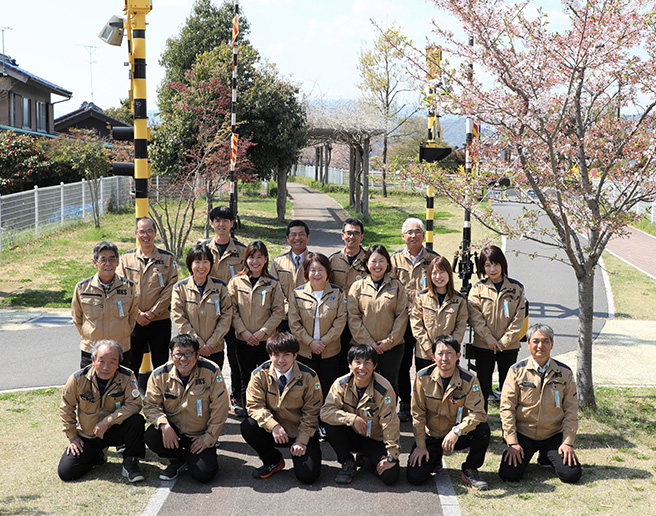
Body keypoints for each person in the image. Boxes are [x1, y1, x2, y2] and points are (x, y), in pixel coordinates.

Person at [499, 323, 582, 484]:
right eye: (535, 341)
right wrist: (512, 442)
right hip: (524, 434)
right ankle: (531, 453)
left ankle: (546, 456)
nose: (540, 346)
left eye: (545, 341)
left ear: (552, 344)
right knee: (509, 475)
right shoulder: (516, 370)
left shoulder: (564, 372)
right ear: (528, 344)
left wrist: (568, 443)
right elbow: (506, 408)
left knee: (571, 475)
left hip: (553, 434)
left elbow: (571, 409)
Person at [407, 335, 490, 490]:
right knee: (415, 477)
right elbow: (417, 413)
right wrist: (420, 445)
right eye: (440, 353)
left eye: (449, 353)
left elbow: (478, 413)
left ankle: (470, 469)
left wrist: (457, 430)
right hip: (432, 435)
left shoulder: (469, 380)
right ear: (433, 356)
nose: (445, 358)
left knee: (483, 429)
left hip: (457, 435)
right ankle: (435, 458)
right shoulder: (422, 377)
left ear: (458, 356)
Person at [143, 334, 229, 483]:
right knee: (151, 435)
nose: (183, 359)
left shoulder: (211, 371)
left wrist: (208, 438)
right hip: (173, 431)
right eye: (179, 354)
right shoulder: (159, 375)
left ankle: (196, 455)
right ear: (172, 355)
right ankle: (178, 459)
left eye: (189, 353)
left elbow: (220, 408)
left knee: (204, 475)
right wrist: (164, 425)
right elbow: (151, 405)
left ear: (197, 354)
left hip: (199, 434)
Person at [58, 340, 145, 482]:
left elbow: (134, 404)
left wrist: (107, 422)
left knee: (136, 420)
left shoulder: (127, 376)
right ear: (93, 360)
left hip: (115, 430)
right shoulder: (77, 379)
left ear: (119, 363)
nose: (106, 367)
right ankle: (97, 455)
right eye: (101, 361)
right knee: (67, 473)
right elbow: (66, 407)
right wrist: (72, 436)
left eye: (112, 362)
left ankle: (131, 462)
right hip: (90, 434)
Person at [240, 332, 322, 484]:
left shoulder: (309, 376)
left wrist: (302, 441)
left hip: (299, 430)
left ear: (295, 355)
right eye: (276, 355)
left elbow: (312, 412)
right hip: (273, 431)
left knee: (308, 476)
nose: (281, 360)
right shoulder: (259, 374)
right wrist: (273, 426)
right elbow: (254, 405)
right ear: (270, 355)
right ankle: (273, 460)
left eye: (286, 355)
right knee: (248, 426)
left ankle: (300, 453)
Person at [321, 344, 401, 485]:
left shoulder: (384, 389)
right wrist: (352, 419)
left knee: (390, 476)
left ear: (375, 365)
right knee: (331, 424)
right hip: (352, 434)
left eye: (367, 363)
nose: (362, 367)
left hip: (375, 438)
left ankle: (365, 461)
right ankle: (347, 462)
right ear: (350, 364)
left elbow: (390, 423)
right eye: (357, 362)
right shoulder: (341, 384)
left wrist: (392, 457)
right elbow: (325, 412)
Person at [468, 245, 527, 411]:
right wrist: (490, 340)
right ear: (482, 267)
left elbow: (519, 318)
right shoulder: (477, 289)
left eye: (495, 264)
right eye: (487, 265)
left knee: (508, 387)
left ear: (502, 264)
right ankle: (481, 423)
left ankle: (508, 426)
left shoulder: (516, 288)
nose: (492, 269)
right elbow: (476, 318)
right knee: (483, 386)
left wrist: (504, 341)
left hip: (508, 347)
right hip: (483, 346)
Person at [391, 218, 439, 422]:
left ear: (423, 235)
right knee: (401, 364)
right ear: (403, 236)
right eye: (409, 232)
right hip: (400, 321)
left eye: (417, 231)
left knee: (424, 362)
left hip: (425, 321)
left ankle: (424, 402)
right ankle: (404, 402)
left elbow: (441, 284)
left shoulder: (434, 259)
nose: (413, 235)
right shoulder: (393, 260)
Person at [228, 241, 285, 409]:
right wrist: (243, 332)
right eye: (252, 257)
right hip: (243, 339)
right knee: (245, 375)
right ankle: (247, 409)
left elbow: (278, 311)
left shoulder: (272, 283)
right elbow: (231, 310)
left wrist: (263, 332)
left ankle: (266, 410)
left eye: (260, 257)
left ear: (266, 259)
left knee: (267, 376)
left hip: (265, 341)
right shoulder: (236, 282)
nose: (255, 261)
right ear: (246, 259)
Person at [118, 217, 178, 371]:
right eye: (142, 231)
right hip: (133, 321)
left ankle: (159, 395)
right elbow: (121, 288)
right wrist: (137, 313)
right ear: (136, 234)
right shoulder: (125, 259)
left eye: (149, 231)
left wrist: (152, 313)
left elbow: (171, 288)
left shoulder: (168, 259)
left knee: (161, 366)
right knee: (131, 366)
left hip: (159, 321)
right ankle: (133, 395)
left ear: (155, 232)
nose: (146, 235)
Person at [348, 244, 408, 395]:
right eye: (373, 261)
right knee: (362, 382)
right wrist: (369, 343)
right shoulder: (357, 287)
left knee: (389, 384)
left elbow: (401, 317)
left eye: (381, 261)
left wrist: (388, 343)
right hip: (363, 347)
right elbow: (353, 317)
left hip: (391, 348)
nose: (377, 265)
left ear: (387, 263)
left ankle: (389, 417)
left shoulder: (397, 286)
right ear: (367, 263)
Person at [204, 206, 247, 416]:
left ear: (232, 223)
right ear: (211, 223)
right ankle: (210, 397)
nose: (221, 224)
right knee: (211, 357)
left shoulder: (242, 250)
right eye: (217, 220)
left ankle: (237, 396)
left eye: (226, 220)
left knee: (237, 357)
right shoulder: (203, 250)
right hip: (209, 314)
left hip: (237, 313)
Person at [288, 252, 347, 398]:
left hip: (330, 351)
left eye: (321, 269)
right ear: (306, 273)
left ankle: (327, 419)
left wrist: (322, 342)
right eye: (313, 270)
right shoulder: (297, 294)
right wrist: (311, 342)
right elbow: (294, 323)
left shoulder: (338, 293)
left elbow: (340, 321)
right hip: (305, 351)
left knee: (328, 389)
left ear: (327, 271)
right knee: (306, 390)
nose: (317, 274)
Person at [72, 241, 138, 369]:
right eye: (103, 259)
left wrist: (123, 333)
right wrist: (88, 334)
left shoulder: (128, 287)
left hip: (120, 349)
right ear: (95, 263)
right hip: (91, 349)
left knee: (120, 386)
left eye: (112, 259)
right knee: (90, 386)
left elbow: (133, 315)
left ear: (117, 262)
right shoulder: (82, 288)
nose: (108, 264)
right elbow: (77, 317)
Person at [171, 244, 232, 369]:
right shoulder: (180, 288)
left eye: (205, 262)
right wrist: (197, 344)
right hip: (188, 350)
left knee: (213, 384)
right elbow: (179, 317)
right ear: (190, 264)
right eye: (197, 262)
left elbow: (226, 316)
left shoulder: (220, 287)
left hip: (214, 348)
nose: (202, 266)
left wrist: (211, 343)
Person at [410, 256, 468, 372]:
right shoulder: (421, 297)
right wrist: (429, 349)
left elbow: (460, 327)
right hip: (425, 354)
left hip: (449, 356)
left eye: (442, 273)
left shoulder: (459, 299)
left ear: (449, 274)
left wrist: (448, 350)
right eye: (434, 273)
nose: (438, 277)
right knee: (425, 387)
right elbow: (416, 324)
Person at [329, 217, 368, 374]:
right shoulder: (333, 260)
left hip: (361, 316)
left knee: (360, 356)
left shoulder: (369, 260)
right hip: (338, 316)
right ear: (342, 235)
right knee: (339, 357)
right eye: (348, 233)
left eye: (356, 233)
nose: (352, 237)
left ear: (362, 237)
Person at [270, 220, 311, 328]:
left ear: (308, 237)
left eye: (301, 234)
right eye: (293, 234)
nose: (297, 238)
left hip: (308, 317)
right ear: (288, 238)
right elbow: (273, 288)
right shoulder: (278, 262)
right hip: (283, 318)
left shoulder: (316, 262)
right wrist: (288, 308)